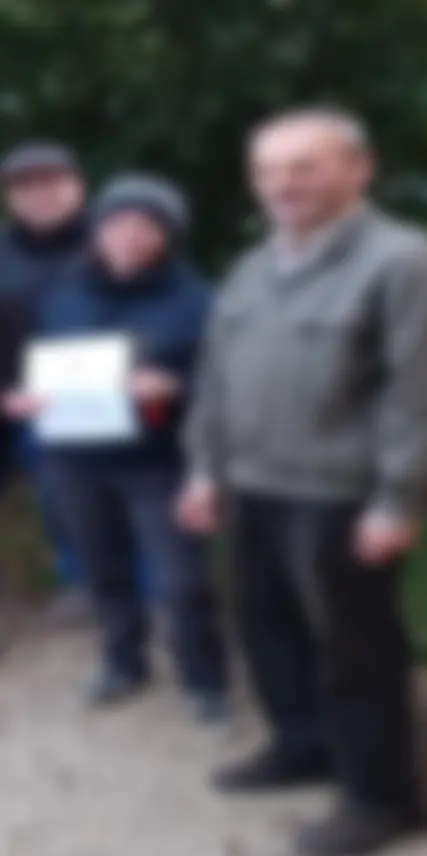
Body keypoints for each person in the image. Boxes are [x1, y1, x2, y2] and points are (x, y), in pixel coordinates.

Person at [175, 107, 427, 856]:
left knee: (356, 650)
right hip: (254, 487)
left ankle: (379, 795)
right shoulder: (255, 267)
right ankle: (301, 745)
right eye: (271, 171)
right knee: (269, 632)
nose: (284, 185)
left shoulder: (402, 263)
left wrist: (401, 499)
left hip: (343, 499)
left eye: (303, 168)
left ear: (355, 171)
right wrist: (205, 468)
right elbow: (217, 377)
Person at [3, 174, 228, 719]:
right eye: (117, 223)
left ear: (167, 236)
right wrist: (22, 399)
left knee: (181, 583)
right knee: (103, 573)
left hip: (159, 463)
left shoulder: (198, 300)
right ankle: (124, 664)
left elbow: (227, 381)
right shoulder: (65, 296)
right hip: (73, 462)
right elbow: (36, 368)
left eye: (146, 225)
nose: (129, 235)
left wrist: (173, 386)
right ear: (99, 231)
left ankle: (205, 680)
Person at [0, 142, 92, 619]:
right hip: (18, 400)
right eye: (26, 186)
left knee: (93, 498)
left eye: (52, 182)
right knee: (53, 496)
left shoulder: (113, 239)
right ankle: (67, 580)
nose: (41, 194)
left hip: (102, 399)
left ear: (78, 186)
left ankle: (130, 589)